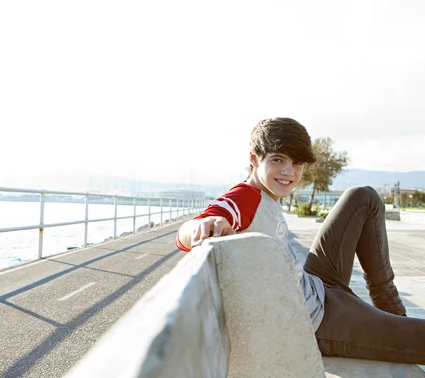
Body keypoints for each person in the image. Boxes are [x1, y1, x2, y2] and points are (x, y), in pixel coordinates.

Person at [175, 117, 425, 364]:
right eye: (277, 160)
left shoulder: (266, 194)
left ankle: (392, 310)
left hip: (314, 284)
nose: (288, 172)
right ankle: (395, 322)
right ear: (253, 159)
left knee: (363, 197)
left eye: (297, 163)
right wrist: (200, 225)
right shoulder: (245, 197)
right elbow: (187, 233)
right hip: (312, 321)